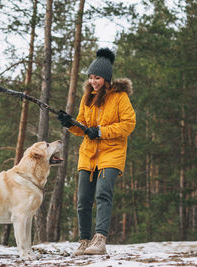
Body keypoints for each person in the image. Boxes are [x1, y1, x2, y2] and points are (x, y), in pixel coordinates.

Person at [58, 48, 136, 256]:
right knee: (83, 200)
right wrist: (70, 123)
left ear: (107, 78)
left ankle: (100, 239)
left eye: (98, 78)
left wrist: (101, 131)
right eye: (91, 77)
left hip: (112, 152)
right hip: (89, 154)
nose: (93, 81)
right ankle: (85, 241)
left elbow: (129, 124)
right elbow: (83, 127)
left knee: (103, 194)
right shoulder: (87, 98)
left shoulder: (120, 97)